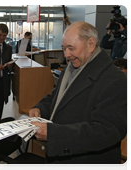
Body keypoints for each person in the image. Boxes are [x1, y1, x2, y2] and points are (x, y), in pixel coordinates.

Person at [29, 21, 129, 170]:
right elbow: (57, 97)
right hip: (61, 159)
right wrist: (40, 108)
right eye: (64, 48)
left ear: (91, 43)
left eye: (71, 48)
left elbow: (108, 131)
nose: (66, 55)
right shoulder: (72, 68)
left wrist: (54, 134)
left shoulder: (115, 79)